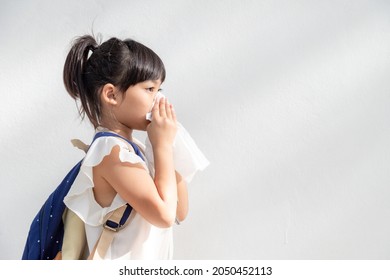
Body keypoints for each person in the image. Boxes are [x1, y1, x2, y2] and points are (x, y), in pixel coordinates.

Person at [62, 34, 188, 260]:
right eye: (150, 89)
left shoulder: (135, 149)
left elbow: (180, 211)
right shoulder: (110, 152)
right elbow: (165, 215)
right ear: (111, 94)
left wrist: (167, 142)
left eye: (159, 90)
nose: (158, 99)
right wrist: (162, 146)